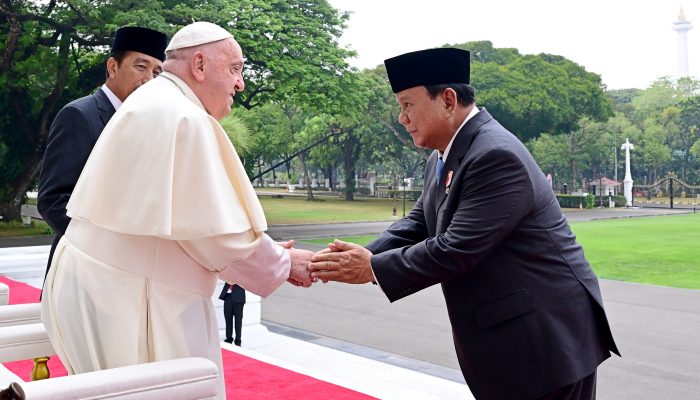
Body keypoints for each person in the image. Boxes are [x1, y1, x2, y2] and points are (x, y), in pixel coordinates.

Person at [309, 48, 619, 400]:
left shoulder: (493, 155)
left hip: (545, 343)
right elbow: (419, 224)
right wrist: (350, 257)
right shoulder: (442, 155)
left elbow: (455, 249)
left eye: (408, 104)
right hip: (512, 340)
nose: (401, 118)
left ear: (448, 100)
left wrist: (371, 268)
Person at [41, 22, 314, 400]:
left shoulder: (150, 101)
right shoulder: (182, 117)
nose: (241, 84)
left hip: (98, 288)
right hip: (127, 301)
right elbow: (219, 237)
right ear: (199, 65)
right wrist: (285, 264)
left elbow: (188, 222)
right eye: (235, 69)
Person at [37, 26, 168, 285]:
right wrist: (114, 246)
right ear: (112, 66)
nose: (149, 80)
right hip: (79, 274)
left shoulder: (148, 124)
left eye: (156, 72)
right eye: (140, 67)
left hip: (129, 278)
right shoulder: (79, 115)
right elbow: (53, 200)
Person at [219, 281, 246, 346]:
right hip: (227, 297)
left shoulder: (243, 273)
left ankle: (238, 341)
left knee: (238, 321)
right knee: (228, 319)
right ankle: (229, 339)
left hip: (239, 298)